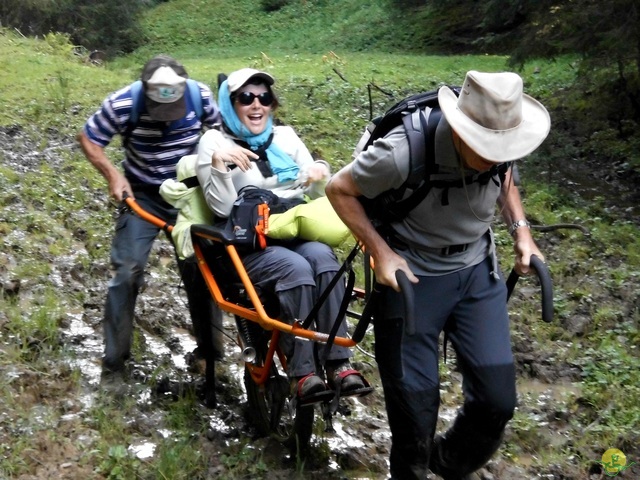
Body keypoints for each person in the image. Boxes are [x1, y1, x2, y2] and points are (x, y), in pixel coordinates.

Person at [326, 71, 551, 479]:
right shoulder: (402, 151)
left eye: (505, 147)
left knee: (496, 402)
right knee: (415, 420)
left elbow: (504, 177)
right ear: (461, 131)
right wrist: (382, 253)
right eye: (488, 146)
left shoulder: (501, 147)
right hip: (412, 278)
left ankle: (445, 466)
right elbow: (338, 190)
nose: (499, 155)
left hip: (476, 273)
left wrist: (522, 233)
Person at [194, 67, 371, 403]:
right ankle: (303, 373)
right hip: (246, 245)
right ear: (230, 105)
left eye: (263, 97)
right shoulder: (214, 142)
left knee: (323, 260)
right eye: (246, 98)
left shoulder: (286, 138)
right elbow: (220, 208)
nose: (256, 104)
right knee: (296, 268)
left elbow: (316, 190)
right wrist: (218, 165)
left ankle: (338, 364)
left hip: (291, 231)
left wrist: (319, 172)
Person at [77, 54, 224, 382]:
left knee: (202, 269)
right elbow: (89, 138)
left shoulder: (199, 97)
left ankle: (211, 354)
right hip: (143, 195)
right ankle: (114, 363)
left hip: (189, 195)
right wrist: (114, 175)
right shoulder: (123, 103)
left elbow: (220, 136)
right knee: (127, 271)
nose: (166, 121)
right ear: (145, 91)